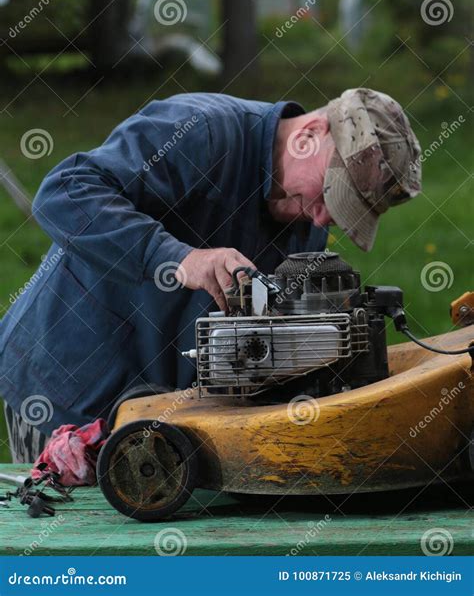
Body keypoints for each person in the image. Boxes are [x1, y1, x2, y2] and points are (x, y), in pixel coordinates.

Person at [0, 87, 421, 461]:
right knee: (77, 546)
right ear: (308, 135)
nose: (324, 218)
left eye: (344, 214)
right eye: (331, 195)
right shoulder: (200, 130)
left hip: (159, 424)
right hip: (63, 392)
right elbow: (65, 192)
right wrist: (178, 258)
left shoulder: (305, 230)